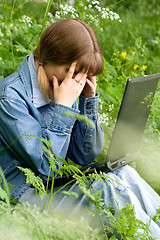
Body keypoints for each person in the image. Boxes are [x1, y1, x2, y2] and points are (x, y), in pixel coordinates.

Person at [0, 18, 160, 239]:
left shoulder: (64, 84)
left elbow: (84, 156)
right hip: (23, 196)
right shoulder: (10, 97)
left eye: (83, 75)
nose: (76, 80)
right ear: (47, 59)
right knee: (107, 190)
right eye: (72, 71)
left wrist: (88, 100)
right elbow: (47, 166)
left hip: (52, 186)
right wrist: (62, 107)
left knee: (125, 174)